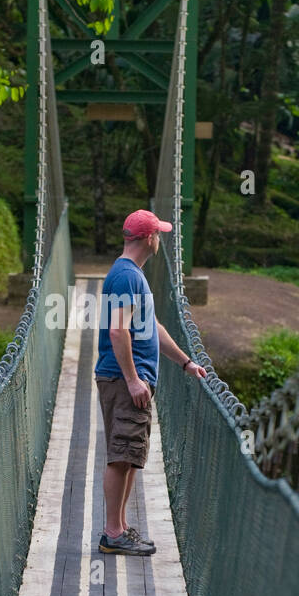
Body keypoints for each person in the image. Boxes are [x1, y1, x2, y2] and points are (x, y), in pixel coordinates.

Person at [95, 209, 207, 555]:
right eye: (158, 234)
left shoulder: (131, 275)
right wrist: (132, 380)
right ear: (148, 239)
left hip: (130, 378)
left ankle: (120, 527)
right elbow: (118, 330)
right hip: (125, 380)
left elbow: (151, 327)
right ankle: (112, 533)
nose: (160, 239)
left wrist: (185, 361)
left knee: (129, 454)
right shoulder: (127, 277)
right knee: (121, 454)